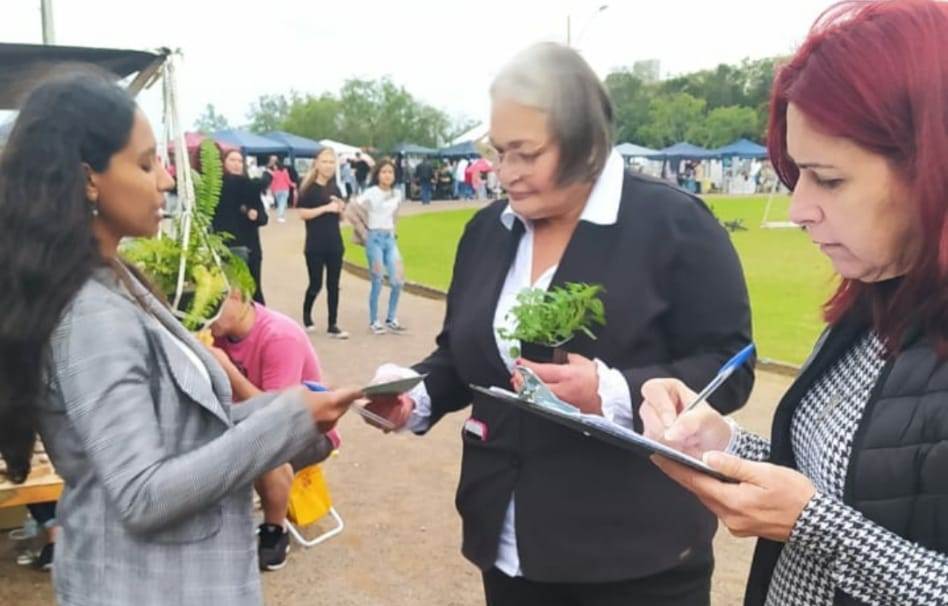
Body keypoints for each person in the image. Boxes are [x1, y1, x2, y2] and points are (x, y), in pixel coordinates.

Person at [363, 43, 753, 606]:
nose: (506, 174)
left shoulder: (674, 225)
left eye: (526, 153)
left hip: (636, 558)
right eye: (499, 153)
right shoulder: (487, 232)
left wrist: (613, 392)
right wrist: (413, 396)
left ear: (587, 143)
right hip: (508, 547)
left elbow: (729, 365)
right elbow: (460, 354)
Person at [0, 69, 361, 606]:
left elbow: (182, 433)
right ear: (87, 179)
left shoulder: (114, 281)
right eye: (145, 164)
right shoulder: (92, 314)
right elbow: (144, 493)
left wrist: (292, 411)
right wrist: (286, 421)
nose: (166, 180)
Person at [639, 2, 948, 605]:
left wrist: (815, 526)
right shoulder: (876, 303)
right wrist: (721, 443)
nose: (798, 208)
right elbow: (837, 478)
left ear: (931, 169)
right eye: (797, 174)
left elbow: (823, 513)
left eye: (828, 179)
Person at [208, 287, 339, 570]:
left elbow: (278, 416)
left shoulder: (279, 336)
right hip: (249, 423)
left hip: (310, 429)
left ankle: (274, 532)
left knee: (263, 449)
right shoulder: (218, 336)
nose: (207, 318)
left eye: (212, 306)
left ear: (237, 295)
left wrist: (228, 369)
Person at [297, 146, 350, 339]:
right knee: (316, 283)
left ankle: (332, 324)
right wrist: (326, 208)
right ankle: (307, 314)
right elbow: (303, 214)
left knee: (333, 284)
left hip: (334, 242)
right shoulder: (308, 188)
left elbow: (341, 218)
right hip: (315, 244)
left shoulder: (335, 187)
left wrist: (341, 208)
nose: (328, 166)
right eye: (325, 161)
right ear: (317, 164)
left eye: (331, 162)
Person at [352, 159, 406, 335]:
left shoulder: (397, 194)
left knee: (397, 279)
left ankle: (391, 317)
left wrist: (394, 230)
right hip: (374, 239)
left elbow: (394, 215)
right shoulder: (371, 193)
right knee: (377, 279)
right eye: (383, 172)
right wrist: (364, 233)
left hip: (389, 239)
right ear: (377, 175)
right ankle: (374, 320)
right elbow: (352, 210)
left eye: (390, 172)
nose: (387, 175)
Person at [213, 149, 269, 304]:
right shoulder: (218, 187)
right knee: (232, 292)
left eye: (239, 161)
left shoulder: (250, 188)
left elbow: (264, 218)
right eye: (232, 160)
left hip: (251, 245)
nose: (237, 164)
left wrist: (256, 215)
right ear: (223, 163)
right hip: (228, 247)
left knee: (254, 289)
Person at [266, 155, 294, 222]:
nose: (274, 167)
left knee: (280, 204)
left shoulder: (275, 173)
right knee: (282, 203)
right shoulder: (285, 171)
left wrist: (271, 190)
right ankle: (280, 216)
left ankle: (281, 216)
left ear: (277, 166)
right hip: (285, 190)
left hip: (277, 191)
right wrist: (292, 185)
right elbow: (288, 180)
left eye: (275, 166)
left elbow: (273, 182)